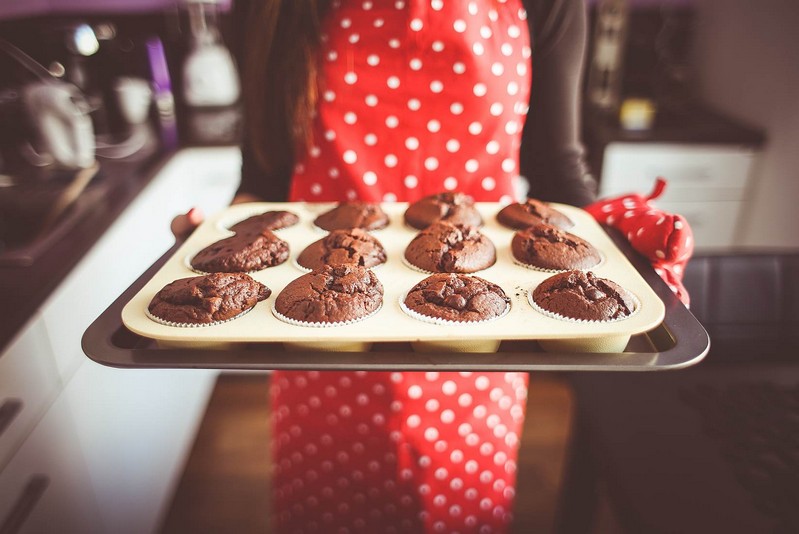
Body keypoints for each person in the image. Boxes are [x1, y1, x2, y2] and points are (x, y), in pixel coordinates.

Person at [172, 1, 599, 532]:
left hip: (475, 327)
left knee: (458, 510)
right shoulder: (272, 7)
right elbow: (264, 171)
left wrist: (618, 238)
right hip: (321, 326)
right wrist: (221, 243)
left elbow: (559, 172)